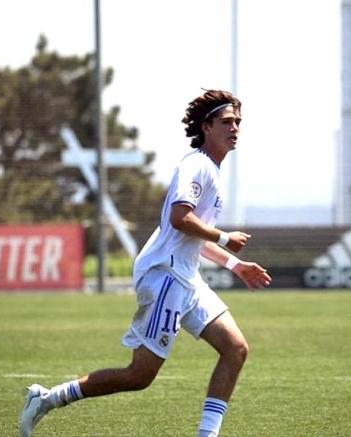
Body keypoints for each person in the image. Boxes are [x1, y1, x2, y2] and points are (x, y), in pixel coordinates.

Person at [19, 90, 272, 437]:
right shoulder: (196, 165)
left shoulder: (210, 170)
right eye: (227, 122)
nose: (235, 128)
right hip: (165, 277)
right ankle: (47, 399)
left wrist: (234, 265)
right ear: (207, 126)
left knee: (235, 348)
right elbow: (180, 218)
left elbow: (193, 239)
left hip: (186, 278)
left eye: (238, 122)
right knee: (140, 375)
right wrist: (225, 237)